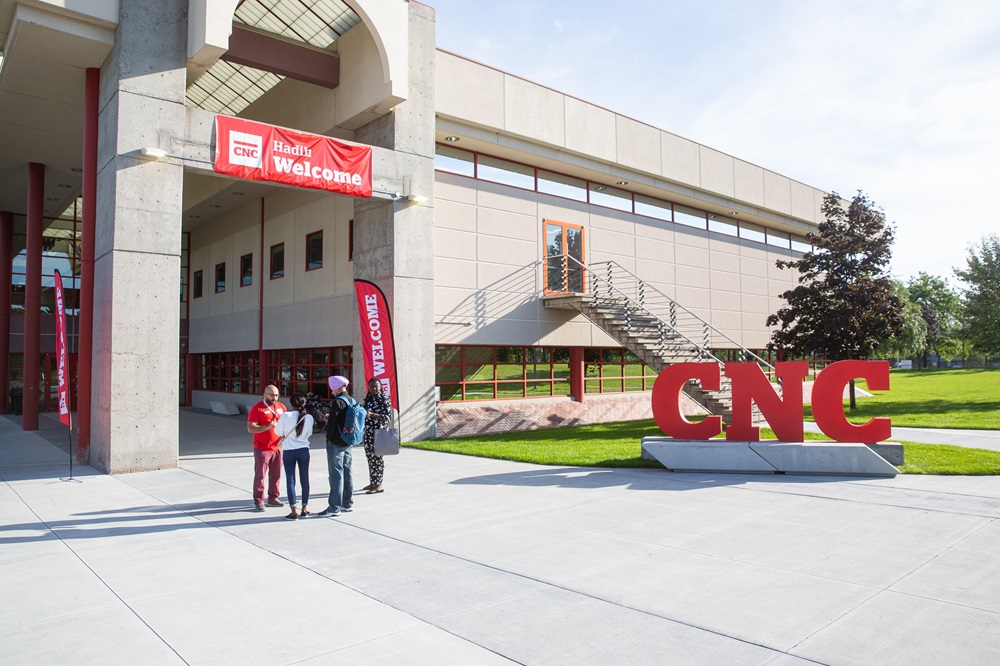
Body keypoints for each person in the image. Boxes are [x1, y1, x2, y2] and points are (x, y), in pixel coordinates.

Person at [319, 375, 355, 517]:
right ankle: (348, 503)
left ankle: (334, 507)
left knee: (335, 475)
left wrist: (328, 438)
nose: (331, 390)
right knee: (348, 472)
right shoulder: (351, 399)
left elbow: (333, 424)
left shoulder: (337, 402)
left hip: (336, 442)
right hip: (348, 441)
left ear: (336, 387)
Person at [247, 385, 286, 512]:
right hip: (262, 448)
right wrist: (267, 427)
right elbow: (250, 428)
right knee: (260, 475)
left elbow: (285, 424)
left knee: (276, 474)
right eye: (271, 395)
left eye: (276, 395)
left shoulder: (281, 407)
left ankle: (273, 497)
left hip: (277, 447)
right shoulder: (257, 408)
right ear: (264, 394)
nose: (274, 398)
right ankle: (259, 500)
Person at [275, 393, 313, 520]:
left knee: (290, 481)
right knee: (305, 480)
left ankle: (293, 511)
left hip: (289, 451)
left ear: (291, 404)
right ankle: (304, 508)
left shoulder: (286, 415)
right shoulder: (309, 417)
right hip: (304, 450)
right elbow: (309, 434)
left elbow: (278, 432)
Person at [361, 378, 391, 494]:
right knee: (370, 458)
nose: (374, 389)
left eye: (376, 386)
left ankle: (379, 484)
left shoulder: (384, 399)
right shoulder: (368, 399)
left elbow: (387, 417)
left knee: (377, 459)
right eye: (371, 386)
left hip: (379, 433)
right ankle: (373, 482)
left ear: (380, 387)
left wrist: (372, 415)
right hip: (368, 433)